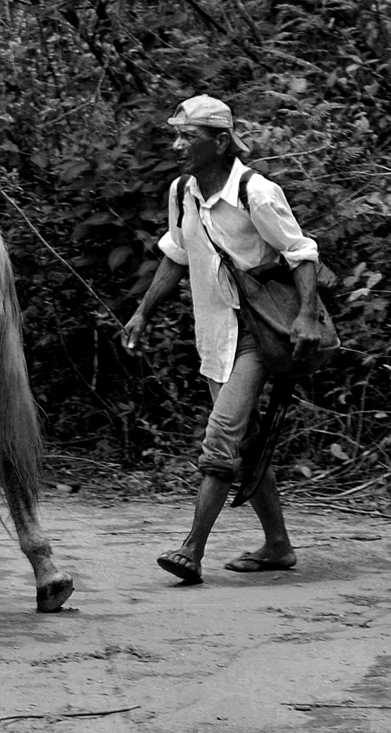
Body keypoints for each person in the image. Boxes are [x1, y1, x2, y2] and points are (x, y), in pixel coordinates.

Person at [120, 95, 321, 584]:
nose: (177, 145)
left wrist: (308, 316)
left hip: (258, 333)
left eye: (188, 137)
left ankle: (192, 549)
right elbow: (176, 255)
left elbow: (302, 252)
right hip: (215, 338)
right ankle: (278, 546)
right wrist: (143, 313)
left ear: (221, 141)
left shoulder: (258, 191)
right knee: (248, 444)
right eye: (177, 135)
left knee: (222, 435)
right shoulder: (183, 191)